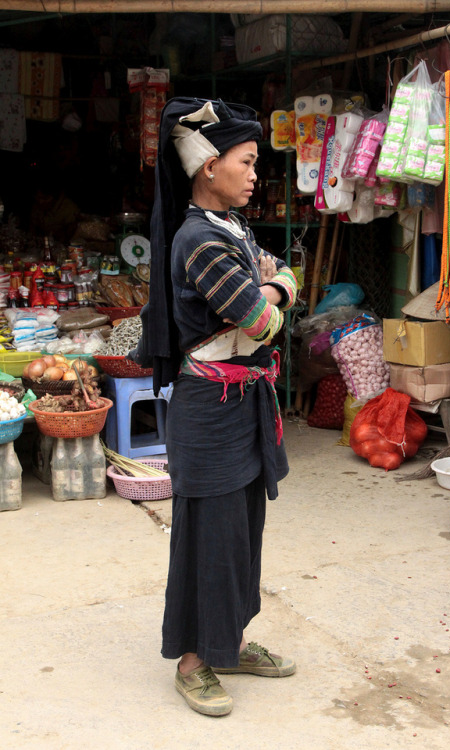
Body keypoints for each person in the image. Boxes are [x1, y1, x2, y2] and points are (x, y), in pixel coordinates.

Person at [131, 97, 297, 717]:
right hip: (211, 407)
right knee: (207, 533)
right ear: (208, 167)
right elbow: (262, 318)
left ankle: (230, 642)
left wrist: (274, 283)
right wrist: (278, 286)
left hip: (245, 400)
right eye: (247, 161)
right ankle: (194, 661)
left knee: (243, 530)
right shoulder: (199, 240)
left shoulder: (234, 229)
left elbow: (272, 287)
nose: (256, 173)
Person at [28, 170, 80, 245]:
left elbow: (72, 238)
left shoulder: (69, 209)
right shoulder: (37, 206)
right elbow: (32, 230)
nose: (40, 202)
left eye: (45, 198)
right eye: (38, 198)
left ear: (55, 197)